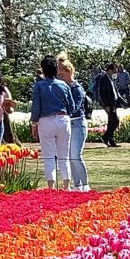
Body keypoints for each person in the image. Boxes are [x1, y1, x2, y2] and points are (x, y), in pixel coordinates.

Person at [30, 56, 76, 189]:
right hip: (63, 119)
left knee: (49, 156)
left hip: (46, 121)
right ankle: (66, 186)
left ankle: (51, 186)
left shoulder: (39, 86)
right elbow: (71, 106)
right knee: (64, 155)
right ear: (56, 69)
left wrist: (34, 123)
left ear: (43, 70)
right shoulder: (63, 85)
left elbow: (36, 107)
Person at [58, 58, 92, 191]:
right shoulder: (63, 88)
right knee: (70, 156)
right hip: (68, 123)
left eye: (62, 74)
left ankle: (85, 184)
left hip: (77, 123)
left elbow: (75, 107)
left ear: (69, 72)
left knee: (76, 155)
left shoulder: (77, 88)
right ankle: (77, 185)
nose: (59, 77)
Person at [95, 62, 125, 147]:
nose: (116, 71)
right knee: (115, 121)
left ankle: (110, 140)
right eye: (114, 69)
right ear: (110, 70)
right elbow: (102, 93)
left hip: (113, 102)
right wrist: (106, 105)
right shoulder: (103, 78)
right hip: (109, 104)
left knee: (111, 121)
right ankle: (106, 137)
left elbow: (115, 91)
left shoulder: (111, 79)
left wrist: (122, 101)